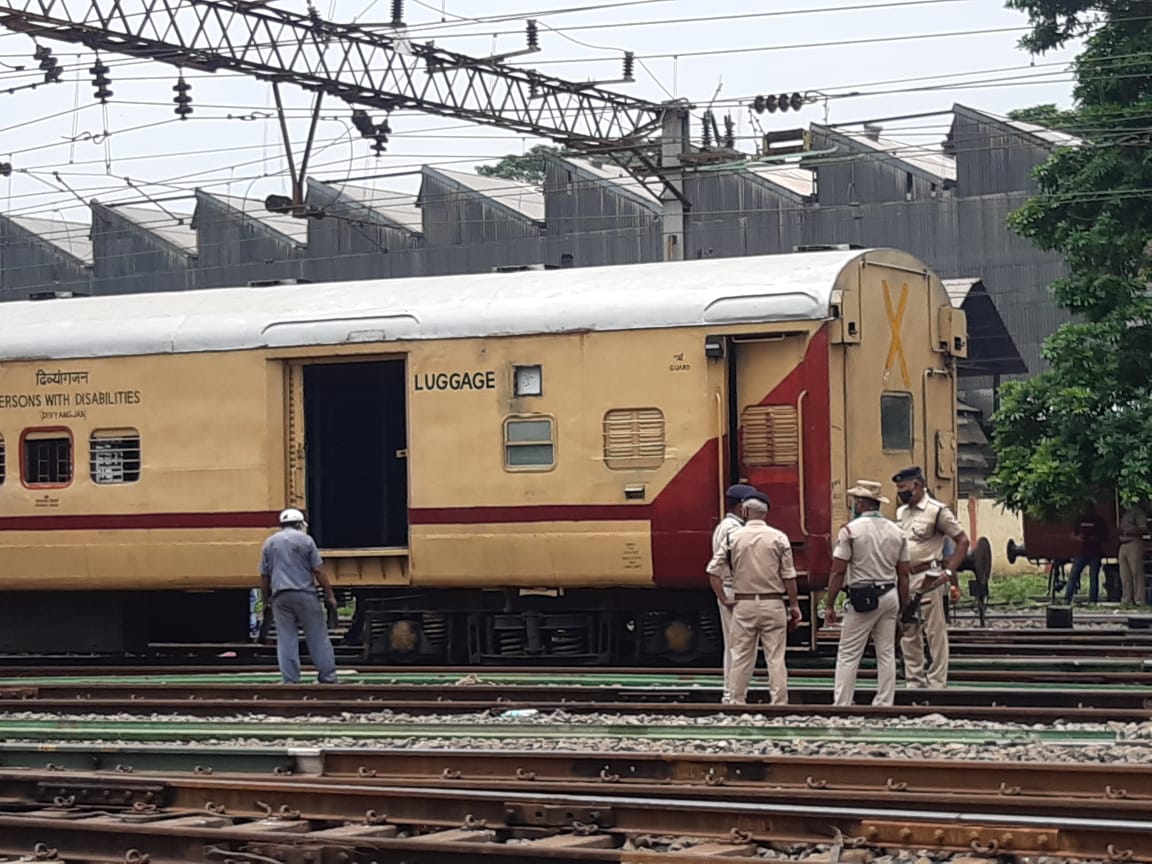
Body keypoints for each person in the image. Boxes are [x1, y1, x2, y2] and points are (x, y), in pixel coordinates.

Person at [706, 493, 801, 705]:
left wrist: (723, 597)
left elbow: (713, 572)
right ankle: (779, 702)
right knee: (775, 657)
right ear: (766, 514)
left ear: (745, 511)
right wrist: (793, 604)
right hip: (773, 602)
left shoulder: (733, 538)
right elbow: (789, 575)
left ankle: (736, 700)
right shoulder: (779, 537)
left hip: (743, 603)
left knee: (740, 655)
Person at [824, 481, 910, 706]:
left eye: (855, 501)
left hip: (863, 597)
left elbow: (838, 570)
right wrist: (903, 604)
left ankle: (842, 702)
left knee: (849, 652)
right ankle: (884, 701)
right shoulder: (897, 532)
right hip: (890, 594)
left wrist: (830, 603)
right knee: (886, 651)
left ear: (861, 504)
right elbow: (904, 574)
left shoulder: (851, 531)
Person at [892, 466, 970, 689]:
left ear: (916, 485)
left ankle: (937, 681)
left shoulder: (937, 511)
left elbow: (962, 541)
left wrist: (949, 572)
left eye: (903, 487)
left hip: (929, 577)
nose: (900, 492)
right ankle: (914, 680)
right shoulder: (901, 513)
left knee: (934, 631)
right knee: (909, 629)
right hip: (906, 577)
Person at [259, 507, 339, 684]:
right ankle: (328, 677)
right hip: (305, 595)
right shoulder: (306, 540)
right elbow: (318, 570)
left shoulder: (270, 543)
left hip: (280, 597)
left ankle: (290, 680)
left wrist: (266, 601)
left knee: (286, 639)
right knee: (318, 637)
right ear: (299, 524)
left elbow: (265, 577)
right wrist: (330, 594)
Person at [707, 483, 758, 700]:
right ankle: (734, 694)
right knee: (742, 646)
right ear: (741, 507)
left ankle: (731, 692)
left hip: (728, 589)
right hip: (735, 589)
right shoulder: (734, 530)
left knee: (734, 644)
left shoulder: (723, 526)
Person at [1065, 506, 1109, 604]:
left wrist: (1093, 539)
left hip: (1095, 553)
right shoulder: (1080, 519)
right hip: (1081, 553)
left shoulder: (1099, 520)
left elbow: (1105, 537)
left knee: (1093, 578)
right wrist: (1079, 538)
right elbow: (1072, 535)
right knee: (1073, 576)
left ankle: (1092, 600)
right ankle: (1067, 598)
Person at [1118, 504, 1147, 606]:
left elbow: (1143, 529)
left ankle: (1139, 600)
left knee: (1136, 573)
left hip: (1134, 543)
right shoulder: (1122, 512)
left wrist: (1127, 532)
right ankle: (1126, 599)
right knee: (1124, 575)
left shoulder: (1137, 512)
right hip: (1122, 544)